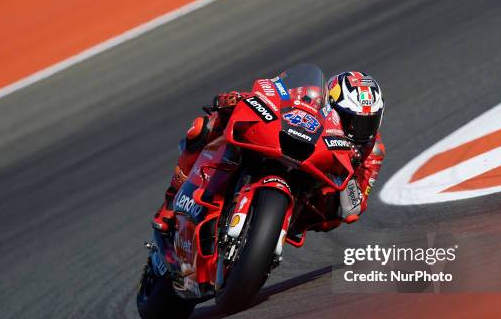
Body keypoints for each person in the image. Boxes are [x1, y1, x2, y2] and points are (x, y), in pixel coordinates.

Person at [152, 71, 385, 233]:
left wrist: (350, 175)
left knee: (336, 213)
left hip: (316, 193)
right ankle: (171, 202)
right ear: (330, 104)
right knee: (202, 127)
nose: (359, 130)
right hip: (290, 145)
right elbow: (273, 93)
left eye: (367, 123)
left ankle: (268, 233)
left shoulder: (372, 150)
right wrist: (238, 99)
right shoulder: (310, 92)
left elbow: (354, 208)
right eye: (351, 120)